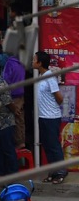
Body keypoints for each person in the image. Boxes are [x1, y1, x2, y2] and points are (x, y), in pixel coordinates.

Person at [35, 51, 67, 183]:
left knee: (54, 146)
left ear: (40, 63)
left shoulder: (49, 77)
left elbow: (59, 98)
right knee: (47, 146)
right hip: (43, 117)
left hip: (51, 118)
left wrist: (51, 107)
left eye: (34, 59)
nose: (32, 62)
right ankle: (53, 172)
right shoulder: (41, 76)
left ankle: (61, 172)